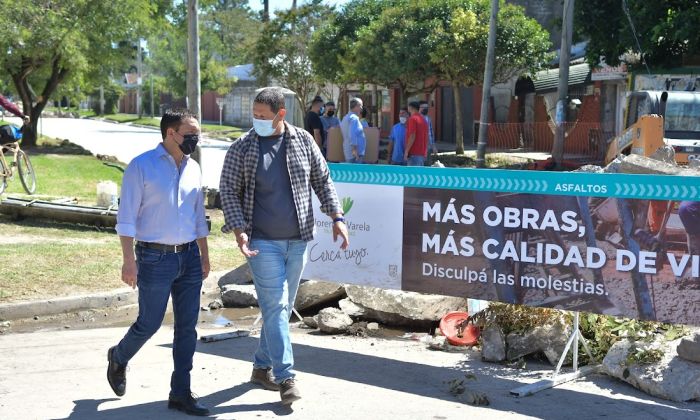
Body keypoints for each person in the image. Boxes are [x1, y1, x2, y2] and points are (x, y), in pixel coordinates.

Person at [219, 87, 350, 405]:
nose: (256, 121)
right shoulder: (243, 147)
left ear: (280, 114)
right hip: (262, 243)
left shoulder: (303, 141)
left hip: (298, 241)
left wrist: (337, 217)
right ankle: (286, 376)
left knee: (278, 309)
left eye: (263, 116)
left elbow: (323, 180)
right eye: (254, 115)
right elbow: (228, 189)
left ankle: (261, 367)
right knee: (276, 308)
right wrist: (239, 230)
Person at [108, 109, 210, 416]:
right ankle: (119, 356)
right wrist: (129, 261)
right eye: (191, 133)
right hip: (154, 258)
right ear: (171, 134)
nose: (196, 138)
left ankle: (180, 393)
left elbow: (198, 216)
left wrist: (205, 255)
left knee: (187, 328)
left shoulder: (194, 168)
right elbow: (126, 219)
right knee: (149, 323)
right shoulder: (141, 167)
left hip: (190, 256)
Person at [340, 97, 366, 163]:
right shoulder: (354, 119)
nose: (361, 108)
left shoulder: (345, 118)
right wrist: (354, 150)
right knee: (356, 172)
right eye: (361, 106)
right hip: (355, 153)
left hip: (348, 150)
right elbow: (352, 134)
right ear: (357, 106)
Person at [404, 101, 429, 166]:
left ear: (411, 108)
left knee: (412, 175)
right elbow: (427, 137)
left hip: (413, 153)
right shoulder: (424, 120)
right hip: (421, 153)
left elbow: (412, 136)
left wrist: (406, 151)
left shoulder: (412, 119)